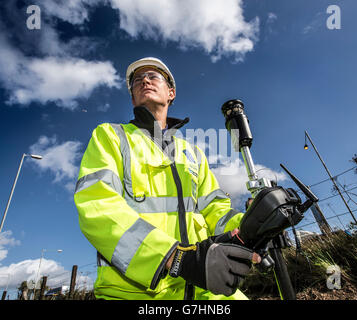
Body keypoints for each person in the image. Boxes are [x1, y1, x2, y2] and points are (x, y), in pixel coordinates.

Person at [74, 57, 260, 300]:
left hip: (204, 287)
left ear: (171, 93)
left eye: (153, 76)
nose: (144, 81)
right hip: (132, 293)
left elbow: (217, 212)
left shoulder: (192, 153)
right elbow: (97, 206)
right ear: (132, 98)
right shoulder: (110, 137)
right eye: (137, 80)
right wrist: (173, 257)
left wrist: (252, 225)